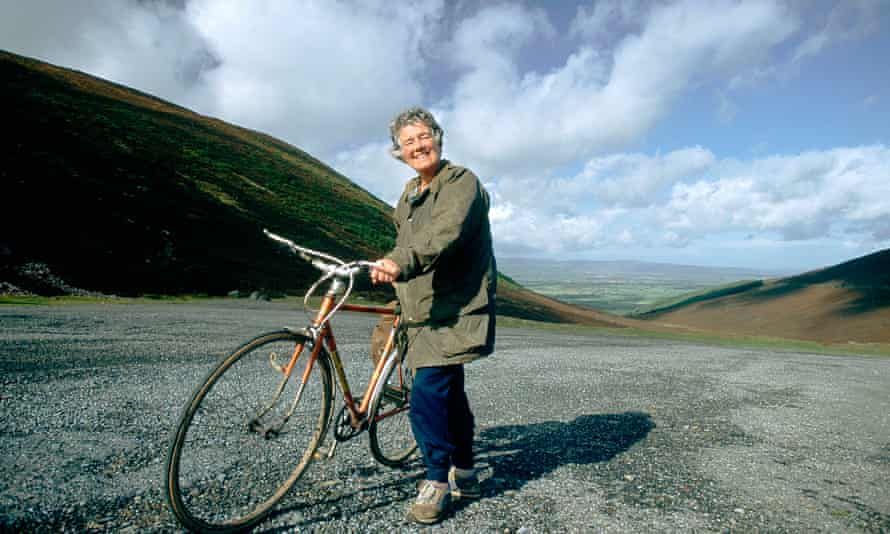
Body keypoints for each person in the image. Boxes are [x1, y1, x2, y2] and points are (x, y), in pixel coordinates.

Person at [370, 107, 496, 524]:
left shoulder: (461, 183)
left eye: (423, 136)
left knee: (427, 390)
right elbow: (407, 242)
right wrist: (391, 272)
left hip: (454, 306)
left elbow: (445, 233)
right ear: (399, 152)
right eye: (408, 142)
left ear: (438, 138)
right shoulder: (408, 194)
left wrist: (399, 262)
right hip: (420, 307)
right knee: (448, 391)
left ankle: (437, 480)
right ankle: (466, 468)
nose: (418, 146)